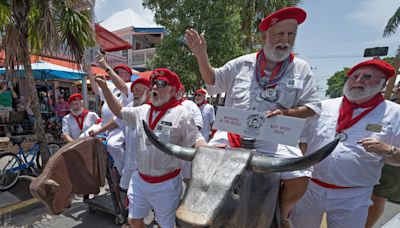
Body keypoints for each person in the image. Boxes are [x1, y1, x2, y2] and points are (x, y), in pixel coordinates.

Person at [185, 6, 320, 224]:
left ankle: (282, 214)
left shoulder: (301, 68)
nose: (285, 40)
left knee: (301, 177)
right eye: (279, 34)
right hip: (232, 132)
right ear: (264, 35)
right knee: (203, 164)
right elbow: (212, 81)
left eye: (291, 34)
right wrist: (201, 55)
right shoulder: (241, 63)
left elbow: (313, 108)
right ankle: (201, 216)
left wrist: (286, 112)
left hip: (274, 136)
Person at [290, 59, 400, 228]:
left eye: (367, 76)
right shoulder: (323, 107)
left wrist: (388, 150)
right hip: (311, 188)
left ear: (382, 82)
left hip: (353, 196)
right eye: (355, 76)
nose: (359, 80)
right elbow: (301, 142)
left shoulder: (394, 114)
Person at [95, 68, 207, 228]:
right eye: (153, 83)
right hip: (140, 180)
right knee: (133, 221)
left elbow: (197, 139)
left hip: (166, 184)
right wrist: (105, 88)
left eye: (161, 84)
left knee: (164, 225)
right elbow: (119, 111)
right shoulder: (142, 110)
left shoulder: (182, 114)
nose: (154, 87)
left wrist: (210, 153)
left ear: (173, 90)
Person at [90, 77, 151, 191]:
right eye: (133, 91)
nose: (135, 93)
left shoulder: (151, 110)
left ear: (149, 91)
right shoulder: (130, 106)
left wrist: (105, 88)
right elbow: (117, 119)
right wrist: (99, 131)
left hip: (148, 170)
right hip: (130, 167)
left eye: (138, 90)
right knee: (130, 202)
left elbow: (118, 112)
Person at [85, 53, 134, 174]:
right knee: (83, 138)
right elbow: (96, 90)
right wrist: (89, 71)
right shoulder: (112, 86)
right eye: (114, 71)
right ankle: (91, 170)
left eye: (119, 72)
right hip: (104, 125)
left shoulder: (130, 86)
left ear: (127, 75)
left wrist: (106, 67)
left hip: (119, 126)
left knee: (113, 145)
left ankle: (125, 171)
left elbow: (123, 88)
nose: (115, 73)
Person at [365, 87, 400, 228]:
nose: (397, 89)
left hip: (393, 162)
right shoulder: (387, 106)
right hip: (372, 157)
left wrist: (388, 149)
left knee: (377, 198)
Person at [176, 83, 204, 181]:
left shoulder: (189, 104)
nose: (177, 93)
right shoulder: (169, 106)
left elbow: (198, 123)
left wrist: (187, 137)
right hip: (175, 145)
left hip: (187, 144)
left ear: (183, 92)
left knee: (187, 171)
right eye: (175, 90)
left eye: (179, 90)